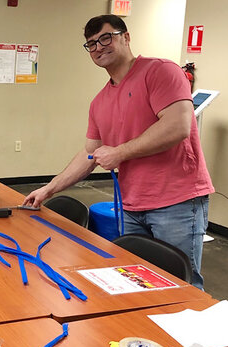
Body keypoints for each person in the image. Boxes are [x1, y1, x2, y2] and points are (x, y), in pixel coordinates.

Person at [23, 15, 214, 289]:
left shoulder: (160, 71)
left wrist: (120, 153)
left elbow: (178, 126)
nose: (98, 47)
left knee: (181, 286)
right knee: (135, 283)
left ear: (126, 37)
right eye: (91, 44)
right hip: (131, 205)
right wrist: (48, 189)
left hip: (176, 202)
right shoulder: (100, 101)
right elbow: (90, 153)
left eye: (105, 37)